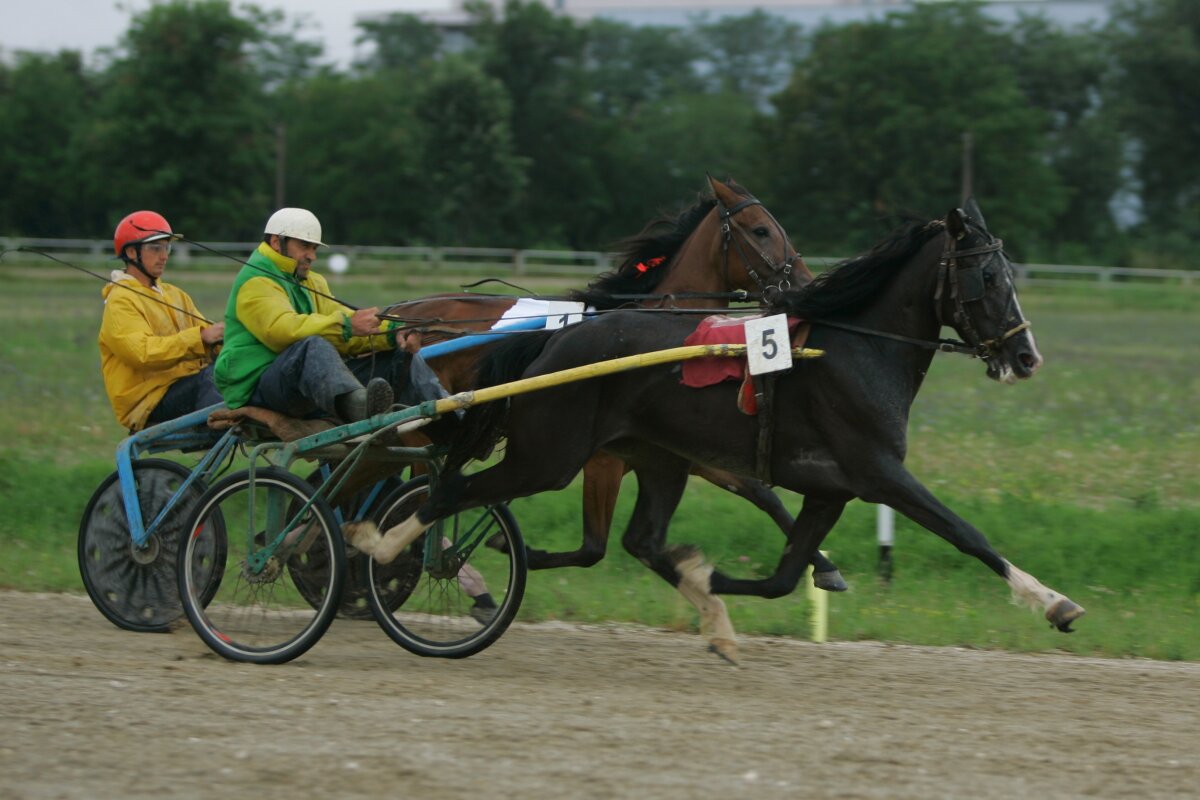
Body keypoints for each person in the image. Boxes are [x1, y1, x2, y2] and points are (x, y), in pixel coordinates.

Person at [213, 207, 423, 421]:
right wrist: (347, 325)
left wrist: (395, 330)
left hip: (298, 381)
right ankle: (363, 411)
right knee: (311, 345)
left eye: (314, 248)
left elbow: (343, 325)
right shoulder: (256, 281)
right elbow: (282, 332)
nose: (312, 256)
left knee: (400, 350)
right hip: (256, 385)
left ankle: (437, 411)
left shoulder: (313, 281)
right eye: (304, 246)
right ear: (277, 242)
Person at [98, 210, 225, 431]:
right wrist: (201, 338)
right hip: (149, 401)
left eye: (167, 248)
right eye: (155, 248)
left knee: (231, 368)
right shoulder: (121, 300)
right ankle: (218, 432)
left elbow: (207, 337)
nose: (164, 256)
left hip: (184, 384)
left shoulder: (175, 295)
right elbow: (143, 353)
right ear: (132, 252)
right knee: (212, 377)